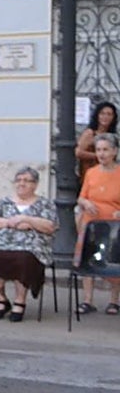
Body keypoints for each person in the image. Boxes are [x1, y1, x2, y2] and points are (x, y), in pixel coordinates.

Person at [0, 167, 56, 322]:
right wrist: (10, 222)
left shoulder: (45, 204)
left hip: (32, 248)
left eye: (26, 181)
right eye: (18, 180)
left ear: (35, 184)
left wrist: (27, 220)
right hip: (4, 245)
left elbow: (50, 226)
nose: (22, 184)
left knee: (23, 260)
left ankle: (20, 301)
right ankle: (1, 300)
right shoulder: (5, 202)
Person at [76, 132, 120, 315]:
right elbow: (81, 197)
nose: (101, 154)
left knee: (114, 260)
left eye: (105, 150)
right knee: (87, 258)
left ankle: (114, 301)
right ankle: (87, 300)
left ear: (115, 151)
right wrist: (85, 203)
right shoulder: (91, 173)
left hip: (114, 225)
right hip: (91, 222)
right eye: (98, 150)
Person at [75, 101, 118, 180]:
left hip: (107, 174)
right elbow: (78, 152)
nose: (105, 117)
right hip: (90, 173)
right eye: (102, 113)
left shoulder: (113, 136)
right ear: (97, 115)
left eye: (109, 114)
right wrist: (98, 155)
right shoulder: (90, 133)